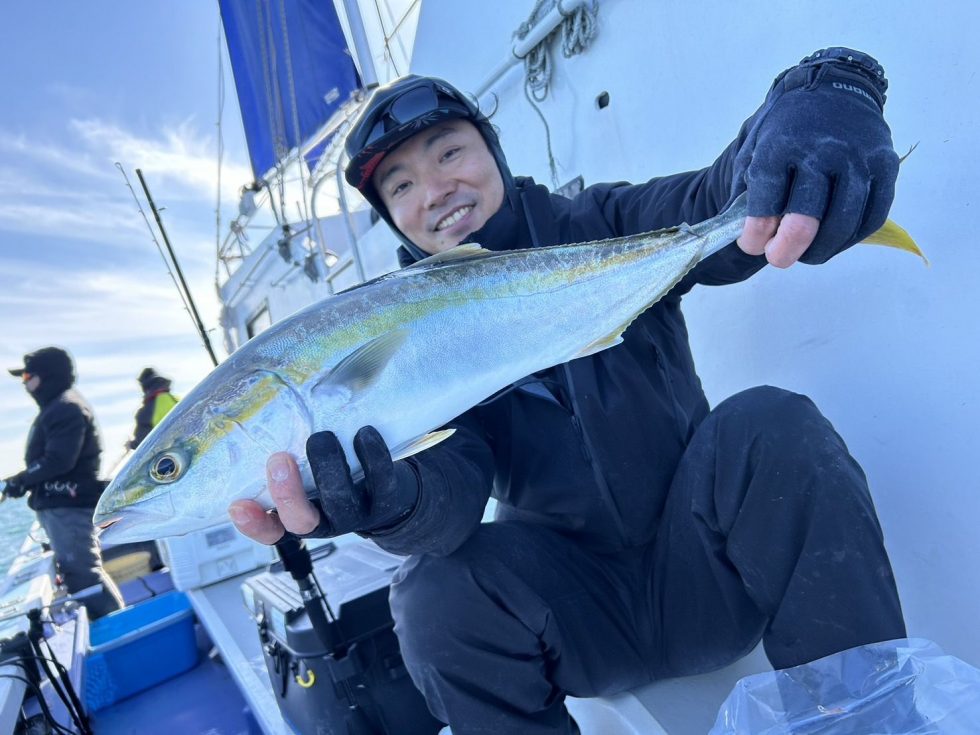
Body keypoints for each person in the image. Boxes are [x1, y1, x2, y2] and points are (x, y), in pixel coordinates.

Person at [228, 47, 908, 733]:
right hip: (582, 618)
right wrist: (390, 499)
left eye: (448, 152)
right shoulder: (409, 340)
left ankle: (870, 719)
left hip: (711, 571)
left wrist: (816, 94)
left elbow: (713, 203)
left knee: (773, 424)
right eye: (400, 186)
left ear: (492, 150)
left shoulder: (598, 223)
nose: (433, 191)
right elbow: (451, 495)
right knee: (429, 592)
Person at [2, 346, 124, 619]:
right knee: (81, 571)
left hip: (68, 504)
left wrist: (20, 481)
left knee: (82, 573)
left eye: (26, 377)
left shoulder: (64, 408)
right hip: (63, 503)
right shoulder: (60, 406)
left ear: (45, 376)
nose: (25, 384)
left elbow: (59, 460)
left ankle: (116, 628)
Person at [127, 367, 179, 450]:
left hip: (167, 455)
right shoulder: (178, 400)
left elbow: (142, 442)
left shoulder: (145, 412)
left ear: (144, 387)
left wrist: (131, 444)